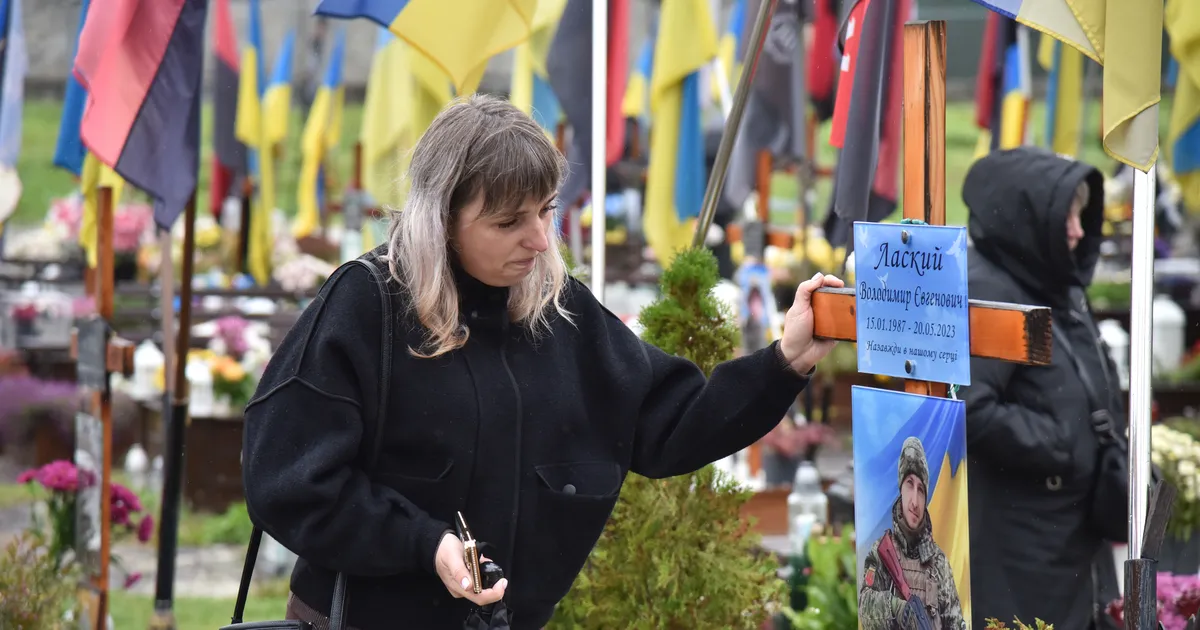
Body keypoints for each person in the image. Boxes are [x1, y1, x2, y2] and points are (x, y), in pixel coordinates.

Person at [241, 93, 844, 630]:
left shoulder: (558, 310)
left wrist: (784, 360)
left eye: (546, 210)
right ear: (442, 219)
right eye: (509, 221)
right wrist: (424, 545)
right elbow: (287, 481)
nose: (539, 239)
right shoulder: (365, 304)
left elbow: (671, 424)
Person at [960, 147, 1126, 630]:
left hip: (1070, 543)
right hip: (1024, 557)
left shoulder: (1049, 285)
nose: (1077, 229)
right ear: (1027, 217)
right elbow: (966, 406)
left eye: (1080, 212)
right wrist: (1062, 442)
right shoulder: (992, 295)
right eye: (1066, 213)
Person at [859, 437, 964, 630]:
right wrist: (895, 607)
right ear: (900, 489)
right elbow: (865, 608)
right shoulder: (881, 553)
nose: (915, 501)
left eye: (921, 490)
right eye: (909, 484)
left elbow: (956, 623)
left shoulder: (939, 563)